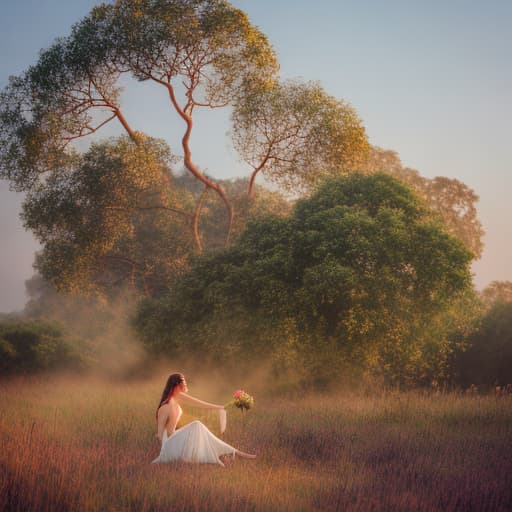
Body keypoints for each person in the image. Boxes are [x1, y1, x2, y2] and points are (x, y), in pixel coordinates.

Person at [152, 373, 256, 466]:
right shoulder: (165, 406)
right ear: (177, 385)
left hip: (175, 439)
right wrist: (164, 453)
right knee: (197, 425)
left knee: (197, 428)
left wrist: (219, 407)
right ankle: (233, 452)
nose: (186, 385)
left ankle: (232, 452)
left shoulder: (177, 397)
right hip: (169, 444)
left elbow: (198, 403)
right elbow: (160, 433)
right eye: (184, 382)